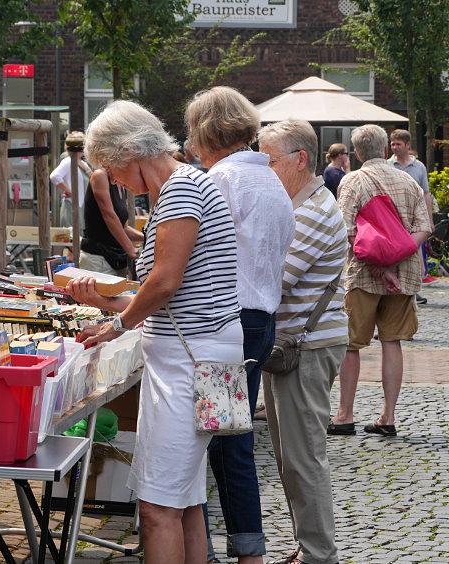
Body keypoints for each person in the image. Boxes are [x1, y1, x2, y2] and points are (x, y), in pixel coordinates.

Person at [65, 100, 243, 564]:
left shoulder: (181, 191)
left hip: (188, 361)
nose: (114, 180)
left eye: (111, 168)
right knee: (183, 499)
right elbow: (169, 297)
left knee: (159, 505)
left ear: (130, 151)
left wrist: (117, 322)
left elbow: (165, 282)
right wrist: (107, 305)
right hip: (196, 352)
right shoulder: (187, 185)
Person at [184, 86, 295, 564]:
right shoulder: (270, 180)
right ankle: (245, 550)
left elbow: (194, 256)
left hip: (226, 321)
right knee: (233, 439)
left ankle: (212, 549)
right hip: (259, 318)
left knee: (214, 442)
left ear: (204, 133)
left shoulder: (220, 181)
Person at [257, 119, 349, 564]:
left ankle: (318, 555)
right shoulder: (301, 203)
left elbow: (275, 280)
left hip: (306, 347)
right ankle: (307, 548)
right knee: (289, 456)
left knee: (302, 458)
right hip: (297, 344)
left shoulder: (311, 210)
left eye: (268, 160)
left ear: (299, 160)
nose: (262, 169)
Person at [329, 124, 432, 438]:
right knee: (392, 342)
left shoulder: (353, 180)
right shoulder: (408, 180)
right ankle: (387, 416)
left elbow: (345, 231)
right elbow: (425, 227)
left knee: (351, 346)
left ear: (357, 152)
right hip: (405, 275)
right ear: (386, 149)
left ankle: (345, 415)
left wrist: (378, 266)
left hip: (363, 275)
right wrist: (394, 259)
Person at [388, 129, 436, 290]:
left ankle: (413, 286)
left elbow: (426, 194)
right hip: (392, 219)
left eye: (398, 144)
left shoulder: (419, 167)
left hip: (414, 219)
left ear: (407, 145)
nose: (394, 147)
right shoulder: (388, 165)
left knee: (415, 254)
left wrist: (429, 220)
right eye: (392, 144)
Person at [79, 169, 143, 276]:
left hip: (118, 259)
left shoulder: (120, 184)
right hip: (99, 258)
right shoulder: (100, 176)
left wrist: (147, 238)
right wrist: (131, 249)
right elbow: (109, 216)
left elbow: (122, 227)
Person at [50, 130, 94, 228]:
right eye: (79, 145)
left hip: (82, 208)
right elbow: (54, 176)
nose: (82, 147)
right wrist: (69, 191)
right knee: (73, 237)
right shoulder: (68, 161)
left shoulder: (84, 164)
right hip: (72, 206)